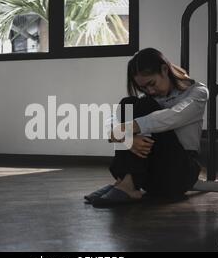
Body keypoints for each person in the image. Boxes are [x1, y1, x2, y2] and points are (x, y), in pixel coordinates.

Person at [85, 48, 209, 207]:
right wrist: (128, 139)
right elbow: (113, 122)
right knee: (128, 103)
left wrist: (127, 131)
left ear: (164, 69)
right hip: (152, 176)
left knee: (143, 106)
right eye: (143, 88)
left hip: (178, 174)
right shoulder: (151, 98)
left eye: (151, 83)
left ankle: (128, 184)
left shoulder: (197, 92)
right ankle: (124, 181)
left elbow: (173, 116)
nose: (150, 90)